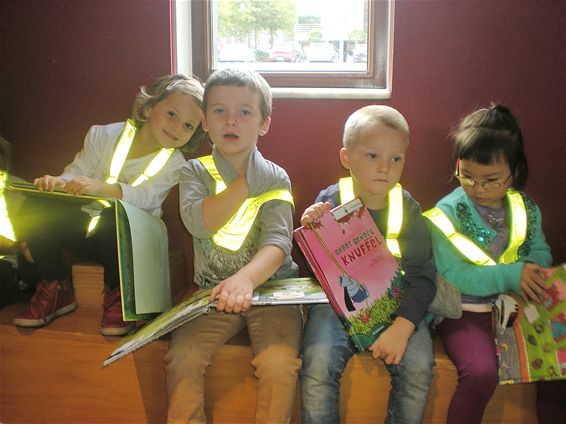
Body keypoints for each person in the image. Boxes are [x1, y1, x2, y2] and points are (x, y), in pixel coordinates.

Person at [11, 73, 205, 336]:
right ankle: (56, 285)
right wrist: (57, 183)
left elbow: (149, 198)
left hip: (132, 243)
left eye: (188, 126)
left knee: (116, 214)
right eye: (172, 114)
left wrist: (107, 189)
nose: (176, 128)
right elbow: (76, 173)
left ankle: (119, 296)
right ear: (149, 108)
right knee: (36, 203)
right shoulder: (103, 135)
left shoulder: (175, 163)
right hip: (91, 233)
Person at [164, 69, 303, 423]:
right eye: (219, 111)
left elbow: (278, 242)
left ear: (263, 123)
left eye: (245, 112)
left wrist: (246, 281)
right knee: (183, 357)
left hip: (272, 291)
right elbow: (198, 222)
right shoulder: (194, 172)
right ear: (205, 122)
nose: (231, 121)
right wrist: (246, 182)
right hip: (212, 292)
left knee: (278, 363)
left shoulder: (278, 176)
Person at [300, 105, 437, 423]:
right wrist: (311, 230)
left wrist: (402, 329)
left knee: (418, 368)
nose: (385, 168)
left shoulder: (408, 210)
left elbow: (424, 277)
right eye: (373, 156)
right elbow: (316, 270)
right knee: (318, 362)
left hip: (396, 305)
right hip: (337, 308)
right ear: (346, 157)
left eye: (396, 158)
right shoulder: (330, 200)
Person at [424, 104, 552, 423]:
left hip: (516, 309)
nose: (478, 189)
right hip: (464, 312)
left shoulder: (525, 208)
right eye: (467, 176)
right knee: (481, 372)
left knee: (556, 360)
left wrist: (532, 270)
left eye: (491, 179)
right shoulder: (447, 212)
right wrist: (510, 275)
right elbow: (454, 274)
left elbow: (541, 251)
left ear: (514, 172)